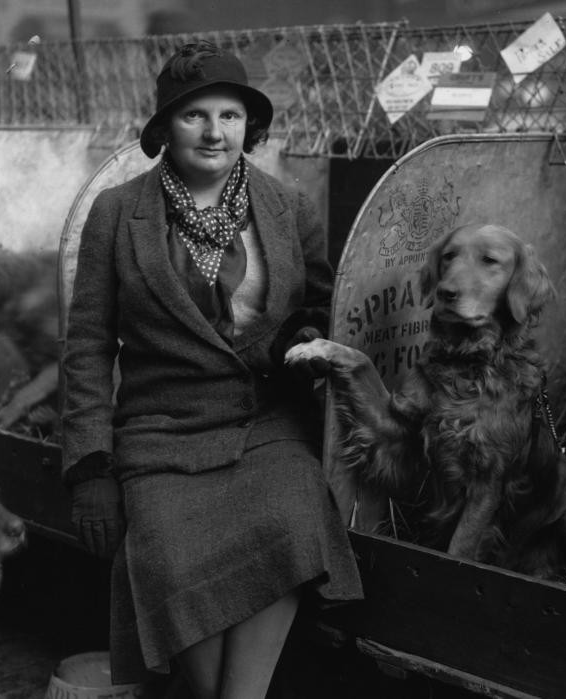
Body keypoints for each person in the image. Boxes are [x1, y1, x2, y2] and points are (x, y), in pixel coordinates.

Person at [61, 40, 363, 699]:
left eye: (229, 115)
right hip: (161, 430)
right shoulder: (117, 214)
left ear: (247, 127)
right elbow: (87, 345)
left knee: (290, 513)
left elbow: (320, 306)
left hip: (264, 420)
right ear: (165, 126)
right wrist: (90, 466)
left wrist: (302, 340)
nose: (214, 131)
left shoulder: (289, 209)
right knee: (167, 550)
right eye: (195, 115)